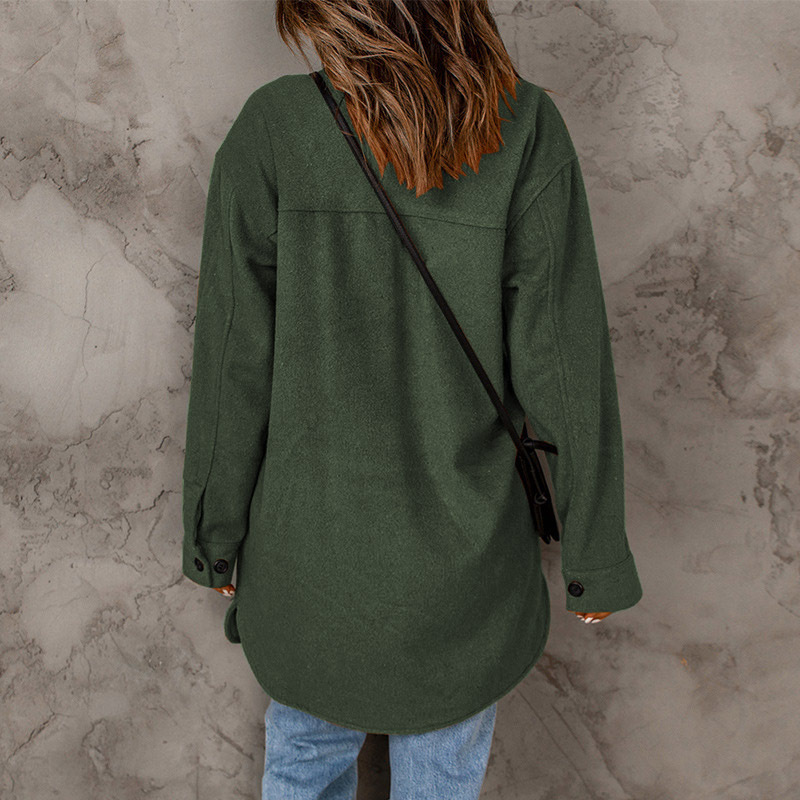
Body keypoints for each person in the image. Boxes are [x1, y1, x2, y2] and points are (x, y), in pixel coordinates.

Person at [180, 1, 644, 798]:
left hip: (308, 569)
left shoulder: (274, 129)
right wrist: (594, 557)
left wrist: (214, 536)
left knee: (301, 766)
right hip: (463, 576)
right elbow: (566, 367)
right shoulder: (524, 128)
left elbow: (231, 364)